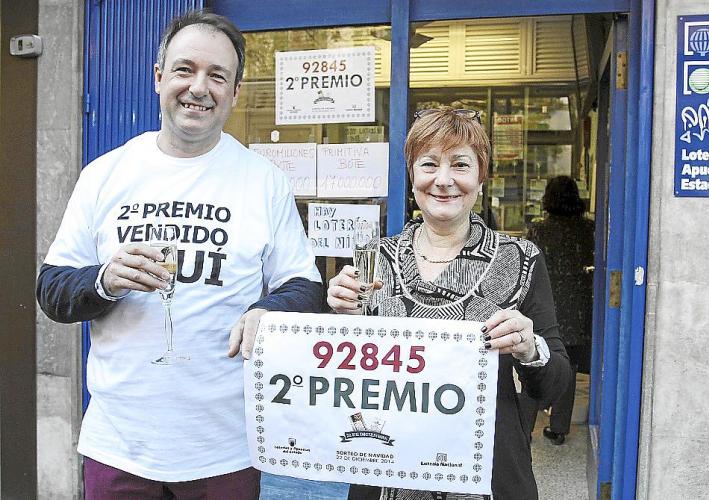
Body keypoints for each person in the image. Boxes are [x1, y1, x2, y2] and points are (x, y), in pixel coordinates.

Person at [36, 10, 322, 499]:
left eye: (217, 75)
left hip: (225, 450)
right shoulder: (105, 174)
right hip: (119, 448)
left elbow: (305, 287)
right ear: (158, 77)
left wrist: (269, 310)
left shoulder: (264, 181)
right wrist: (104, 280)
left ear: (235, 91)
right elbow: (52, 290)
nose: (198, 87)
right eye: (185, 69)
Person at [326, 107, 571, 500]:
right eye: (429, 164)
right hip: (386, 477)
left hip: (489, 479)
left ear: (481, 176)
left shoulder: (520, 260)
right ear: (411, 174)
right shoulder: (374, 259)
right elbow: (346, 380)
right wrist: (340, 319)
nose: (443, 180)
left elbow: (555, 385)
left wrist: (531, 348)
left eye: (460, 164)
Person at [525, 175, 595, 445]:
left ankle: (526, 427)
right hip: (578, 307)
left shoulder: (538, 231)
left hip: (544, 306)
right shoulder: (589, 229)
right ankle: (559, 427)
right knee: (569, 367)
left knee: (532, 363)